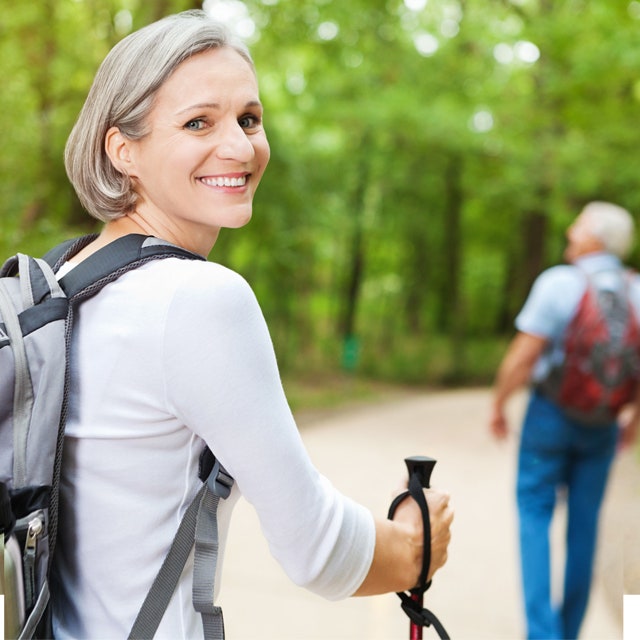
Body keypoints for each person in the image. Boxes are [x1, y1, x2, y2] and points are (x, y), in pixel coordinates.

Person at [49, 10, 453, 639]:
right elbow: (315, 547)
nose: (240, 146)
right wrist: (415, 546)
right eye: (198, 122)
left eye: (249, 119)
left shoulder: (52, 282)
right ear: (122, 148)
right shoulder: (198, 298)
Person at [489, 201, 640, 639]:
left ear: (596, 238)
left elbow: (523, 356)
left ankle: (542, 633)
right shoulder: (636, 291)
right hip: (603, 424)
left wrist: (499, 403)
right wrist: (633, 421)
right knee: (585, 526)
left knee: (534, 514)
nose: (571, 232)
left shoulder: (560, 283)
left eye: (579, 226)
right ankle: (569, 632)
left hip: (549, 416)